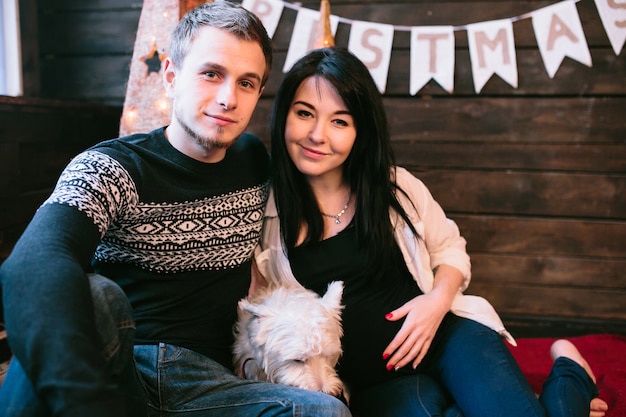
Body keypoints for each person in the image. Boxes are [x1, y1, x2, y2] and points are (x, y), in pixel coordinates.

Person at [0, 3, 351, 417]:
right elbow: (34, 260)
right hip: (122, 367)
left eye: (246, 83)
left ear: (258, 93)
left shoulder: (254, 160)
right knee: (95, 295)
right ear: (171, 75)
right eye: (211, 73)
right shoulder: (112, 168)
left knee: (326, 412)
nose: (227, 98)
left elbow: (330, 172)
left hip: (209, 384)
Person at [253, 46, 609, 417]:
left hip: (448, 339)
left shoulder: (396, 188)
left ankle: (564, 369)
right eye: (304, 113)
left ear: (361, 131)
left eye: (339, 121)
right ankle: (571, 382)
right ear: (284, 116)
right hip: (381, 382)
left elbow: (451, 250)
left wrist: (435, 302)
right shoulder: (265, 212)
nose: (317, 135)